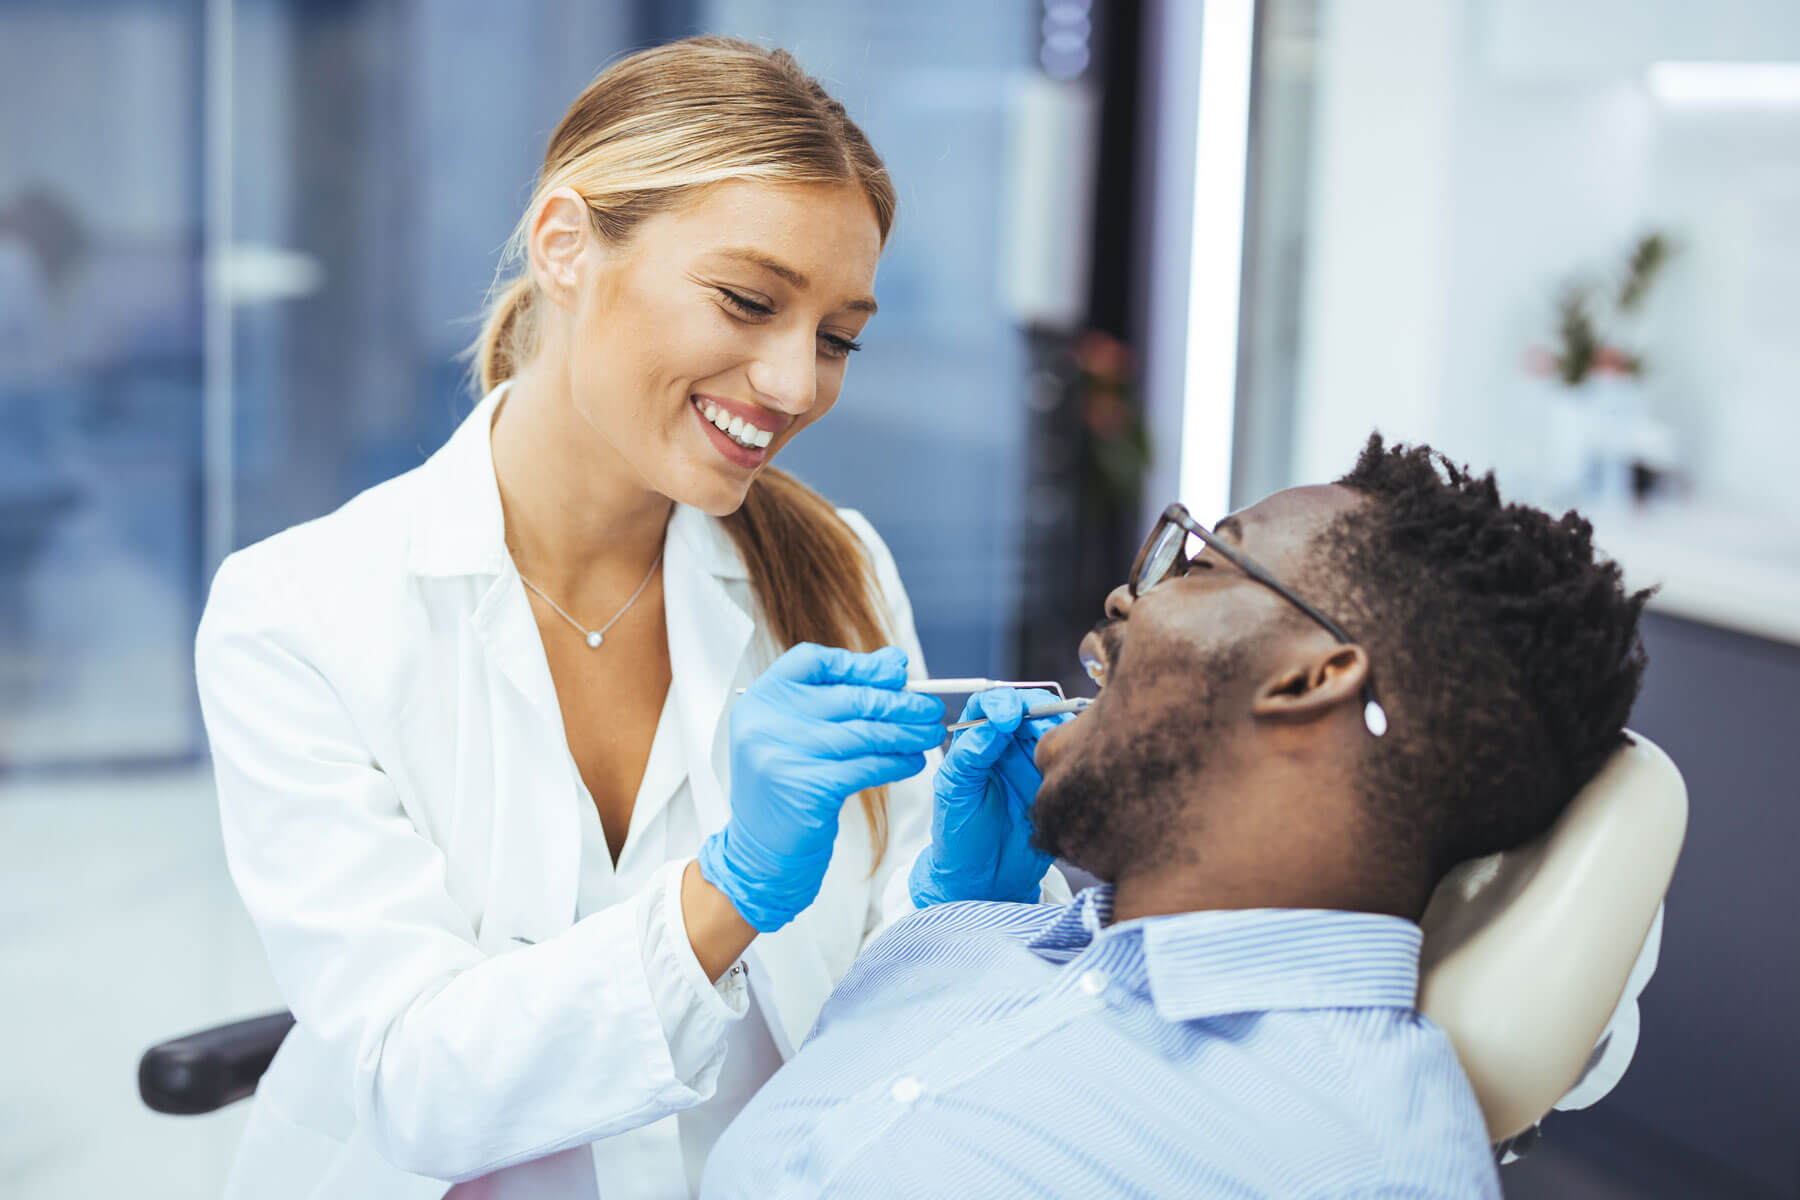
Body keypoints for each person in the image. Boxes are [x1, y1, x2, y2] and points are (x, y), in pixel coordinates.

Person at [195, 37, 1061, 1200]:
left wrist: (949, 911)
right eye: (749, 301)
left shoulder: (836, 567)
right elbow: (420, 1086)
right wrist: (728, 892)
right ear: (565, 246)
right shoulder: (301, 613)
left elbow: (869, 1023)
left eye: (838, 336)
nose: (798, 384)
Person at [701, 436, 1655, 1199]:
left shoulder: (1359, 1165)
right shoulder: (958, 945)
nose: (1127, 594)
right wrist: (943, 916)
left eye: (1197, 565)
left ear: (1311, 678)